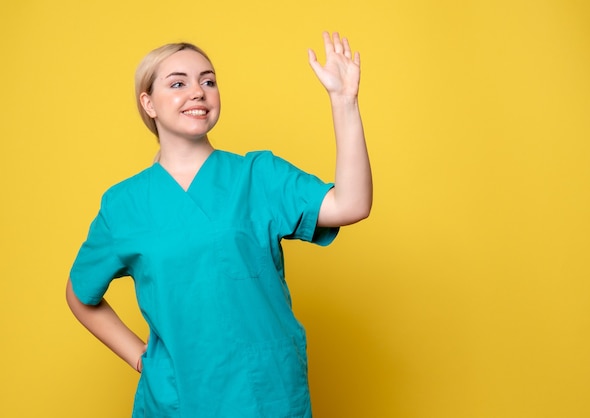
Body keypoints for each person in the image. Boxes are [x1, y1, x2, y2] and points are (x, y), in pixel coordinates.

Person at [66, 32, 372, 417]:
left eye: (208, 81)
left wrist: (344, 103)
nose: (198, 91)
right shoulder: (123, 205)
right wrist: (142, 359)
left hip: (266, 392)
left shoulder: (258, 175)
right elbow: (80, 293)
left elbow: (352, 204)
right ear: (149, 103)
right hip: (178, 399)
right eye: (178, 83)